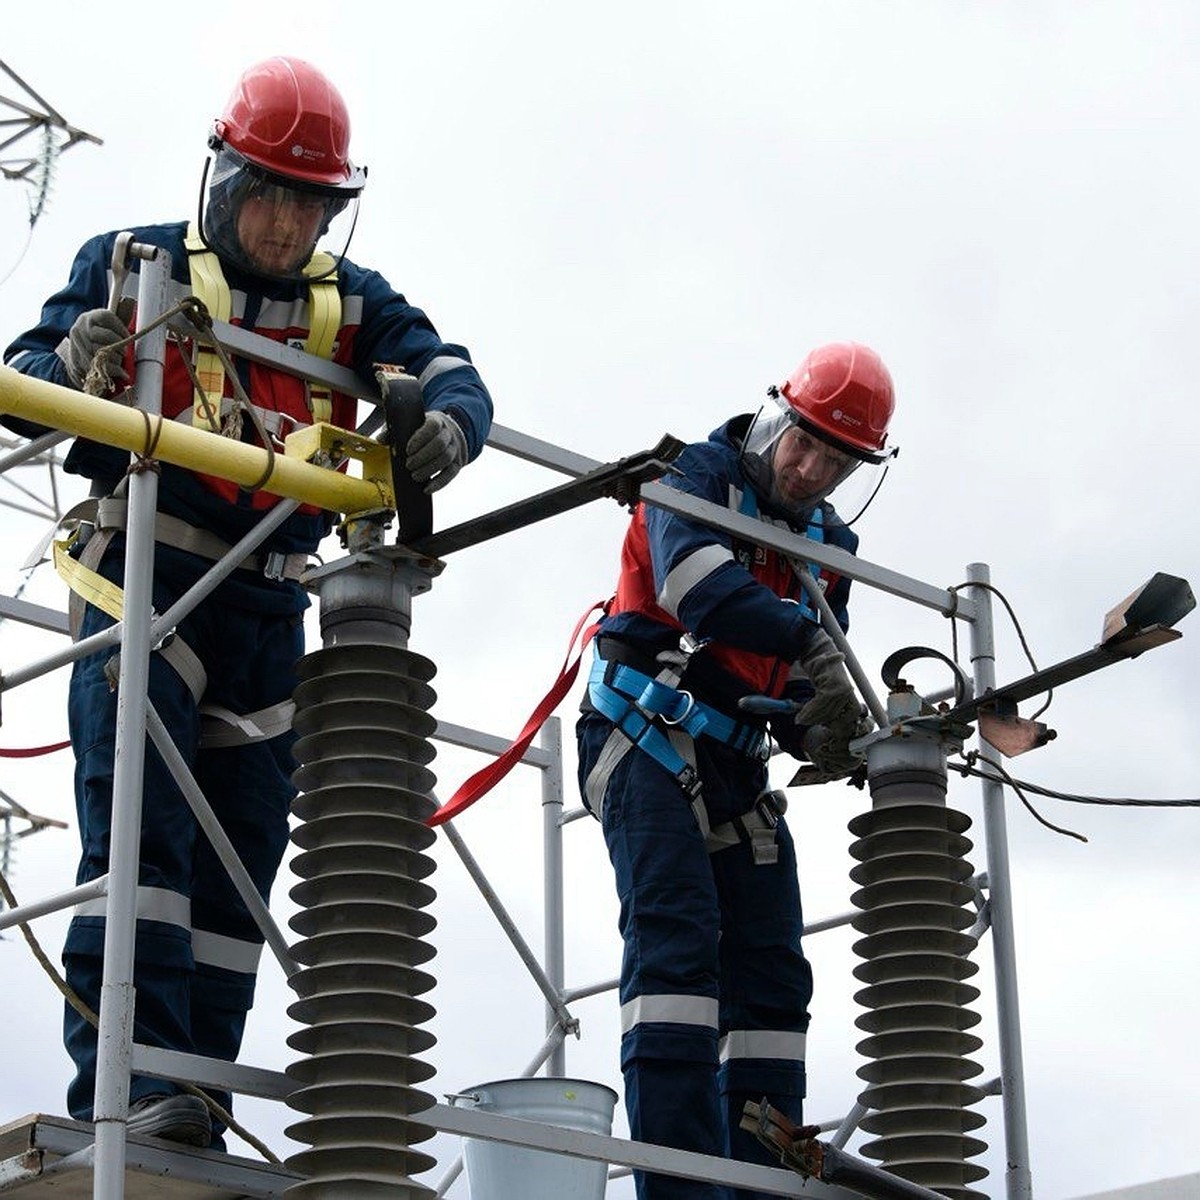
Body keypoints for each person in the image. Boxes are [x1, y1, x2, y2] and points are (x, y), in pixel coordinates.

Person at [2, 56, 492, 1149]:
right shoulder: (132, 264)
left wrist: (445, 426)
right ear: (223, 182)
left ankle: (197, 1107)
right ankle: (126, 1096)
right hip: (144, 578)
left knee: (241, 863)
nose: (284, 225)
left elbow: (452, 368)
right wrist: (79, 362)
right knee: (141, 842)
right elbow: (24, 377)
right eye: (270, 195)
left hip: (269, 606)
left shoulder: (354, 307)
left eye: (309, 203)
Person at [576, 342, 897, 1200]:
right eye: (806, 442)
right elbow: (698, 590)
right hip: (643, 734)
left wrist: (823, 730)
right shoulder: (697, 477)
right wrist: (810, 646)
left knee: (771, 976)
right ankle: (680, 1188)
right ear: (776, 418)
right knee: (677, 952)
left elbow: (795, 686)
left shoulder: (828, 544)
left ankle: (760, 1186)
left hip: (734, 759)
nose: (811, 468)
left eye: (837, 459)